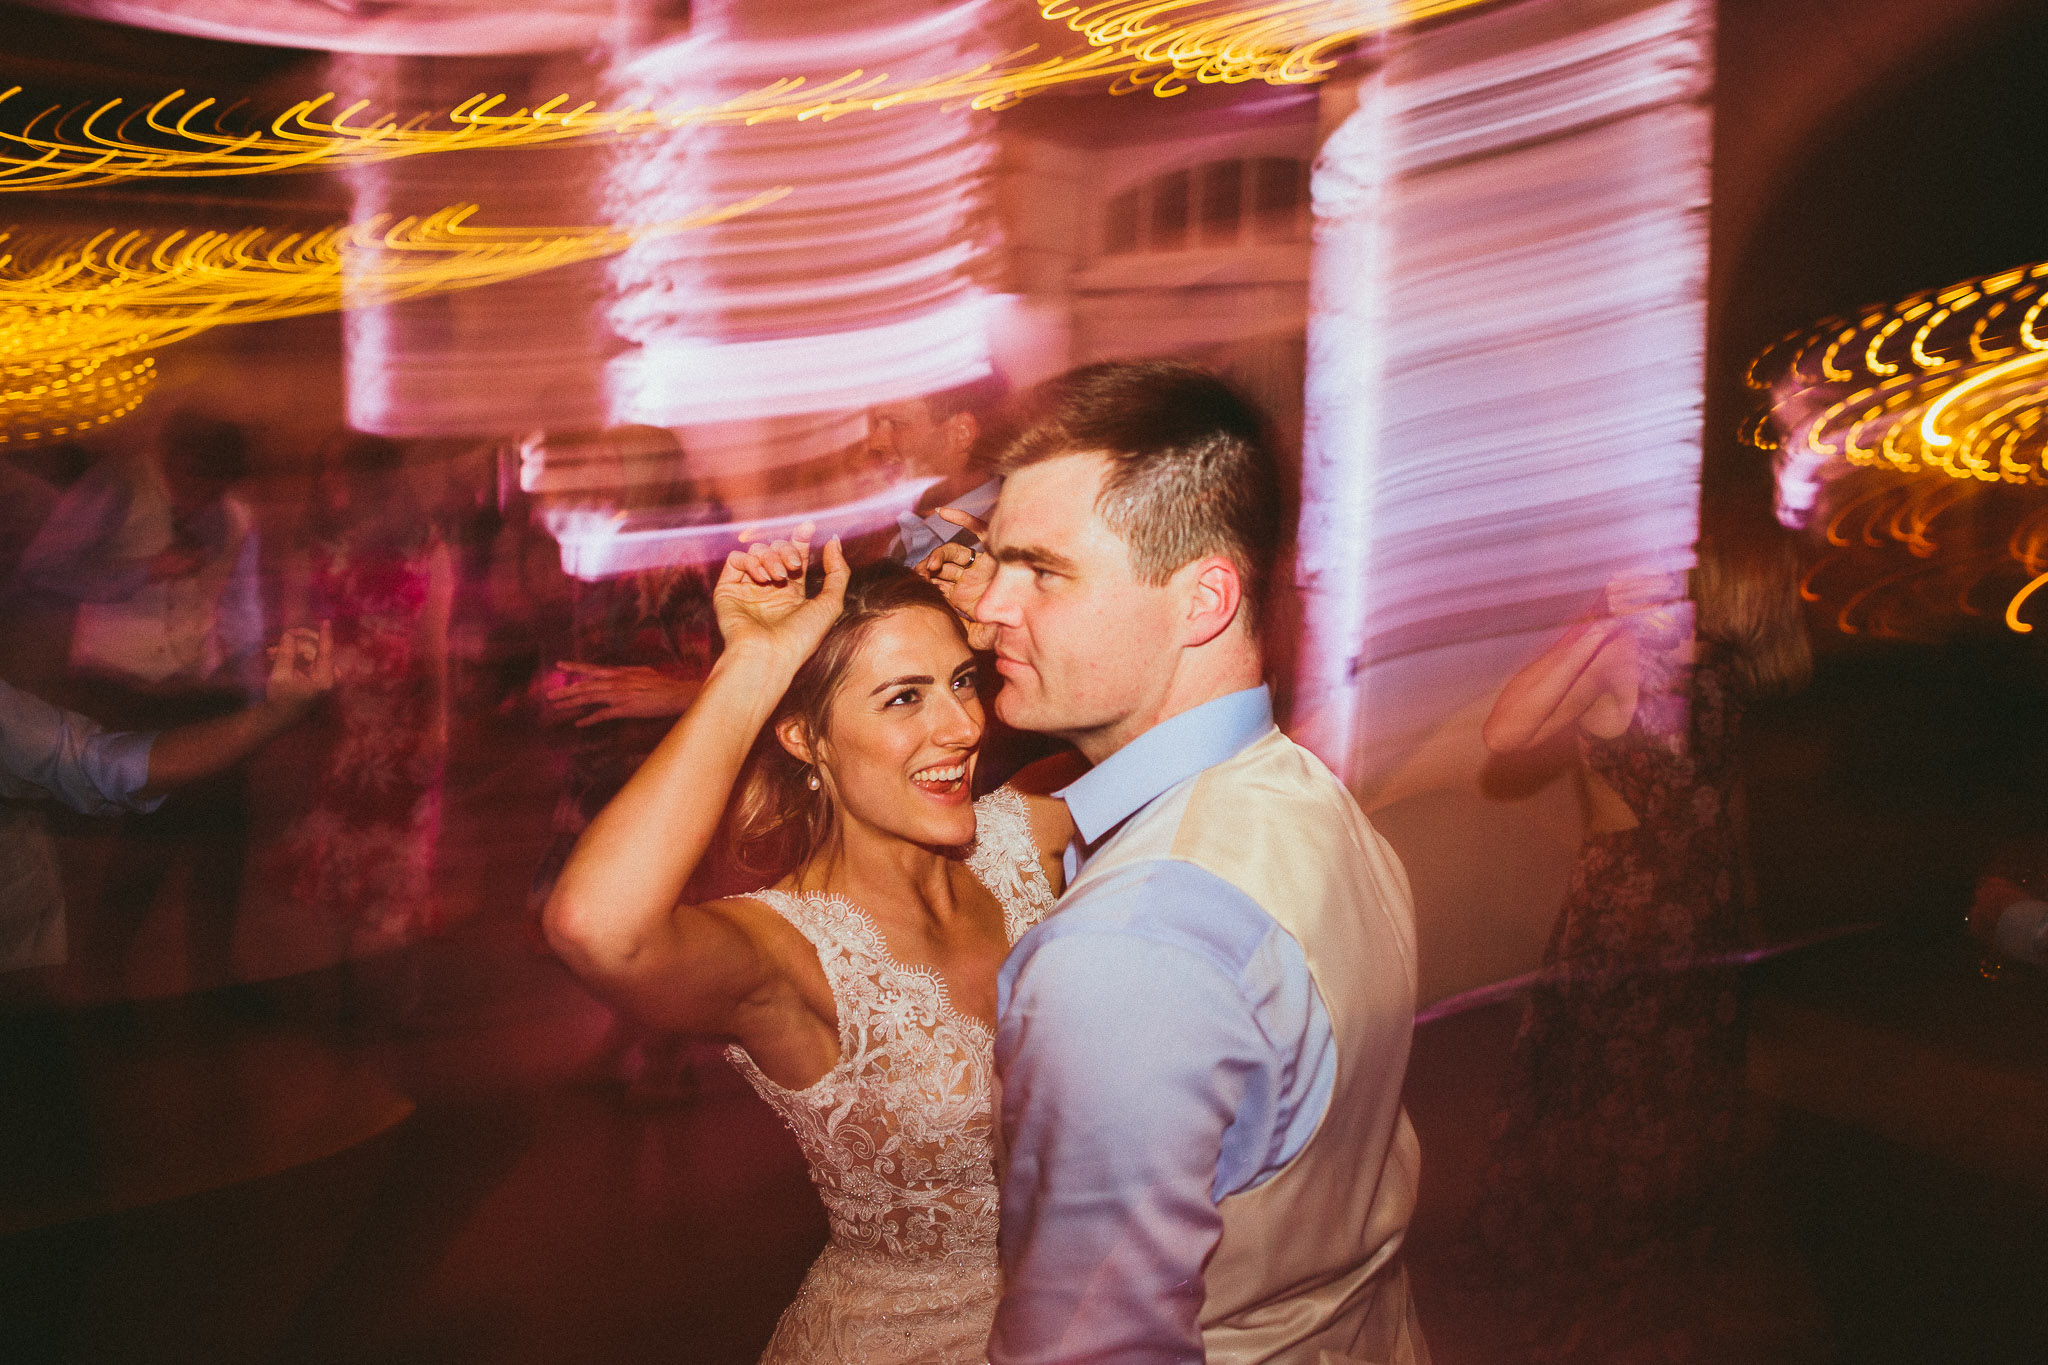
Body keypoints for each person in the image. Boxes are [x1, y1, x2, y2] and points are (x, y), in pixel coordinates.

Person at [928, 361, 1428, 1364]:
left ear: (1201, 600)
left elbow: (1091, 1345)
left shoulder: (1123, 953)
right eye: (990, 561)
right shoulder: (1310, 798)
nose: (985, 609)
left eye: (1042, 571)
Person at [542, 526, 1075, 1364]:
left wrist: (1015, 622)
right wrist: (752, 666)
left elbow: (1184, 737)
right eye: (904, 697)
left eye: (961, 681)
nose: (962, 725)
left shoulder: (1025, 837)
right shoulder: (789, 953)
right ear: (804, 737)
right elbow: (596, 928)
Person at [1468, 529, 1813, 1346]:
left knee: (1683, 1132)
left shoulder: (1718, 663)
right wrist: (1595, 623)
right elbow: (1503, 733)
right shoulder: (1619, 653)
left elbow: (1724, 803)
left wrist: (1747, 921)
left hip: (1705, 939)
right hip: (1625, 940)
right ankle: (1577, 1311)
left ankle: (1650, 1311)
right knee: (1605, 1127)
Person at [2, 625, 334, 972]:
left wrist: (268, 691)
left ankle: (207, 977)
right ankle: (104, 972)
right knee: (142, 853)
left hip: (204, 690)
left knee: (218, 848)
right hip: (124, 682)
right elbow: (93, 766)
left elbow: (93, 764)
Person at [276, 431, 453, 951]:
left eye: (344, 468)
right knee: (342, 865)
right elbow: (296, 634)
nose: (332, 480)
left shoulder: (423, 543)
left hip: (404, 724)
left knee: (402, 865)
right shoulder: (310, 547)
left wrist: (438, 723)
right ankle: (348, 994)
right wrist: (303, 712)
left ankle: (399, 998)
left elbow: (433, 645)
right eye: (324, 469)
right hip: (339, 723)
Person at [867, 377, 1005, 566]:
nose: (876, 442)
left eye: (897, 423)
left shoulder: (1010, 541)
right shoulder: (901, 539)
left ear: (960, 433)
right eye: (876, 424)